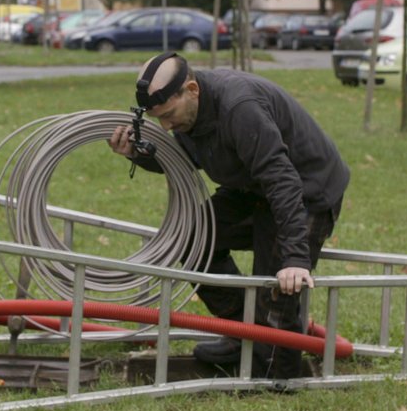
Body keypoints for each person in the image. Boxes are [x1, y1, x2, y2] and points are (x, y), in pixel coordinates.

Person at [108, 51, 350, 380]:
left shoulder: (239, 107)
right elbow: (187, 156)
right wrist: (137, 153)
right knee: (191, 238)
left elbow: (283, 180)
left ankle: (279, 378)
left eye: (168, 115)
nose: (165, 126)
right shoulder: (191, 111)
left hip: (306, 191)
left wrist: (294, 258)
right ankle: (243, 333)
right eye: (158, 119)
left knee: (277, 289)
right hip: (251, 188)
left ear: (191, 89)